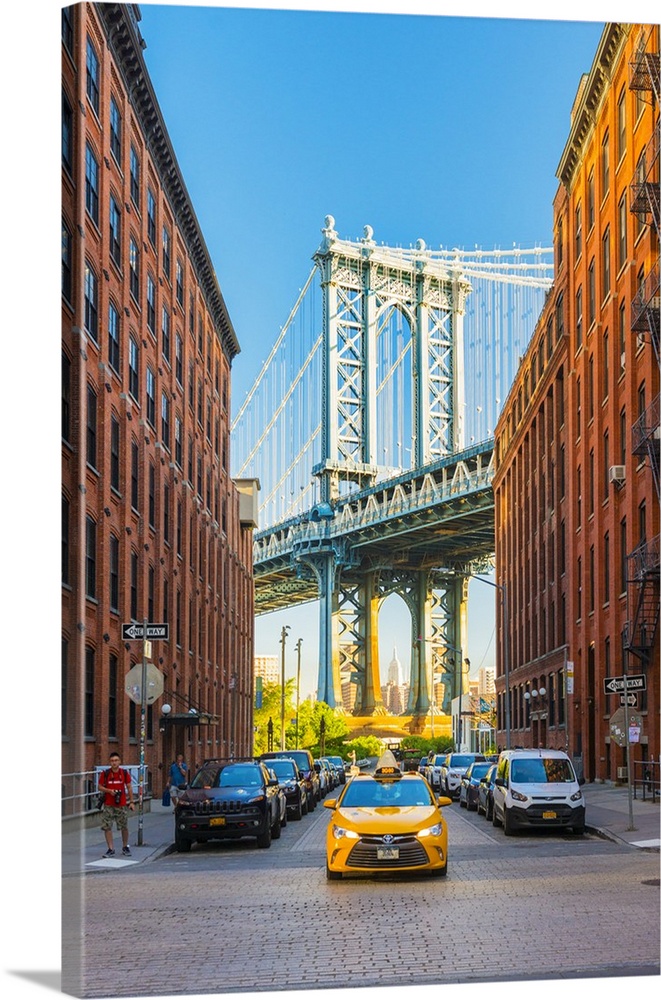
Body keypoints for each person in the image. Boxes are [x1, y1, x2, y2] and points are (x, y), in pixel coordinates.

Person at [98, 752, 135, 858]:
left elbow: (129, 787)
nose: (114, 763)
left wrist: (131, 802)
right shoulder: (105, 773)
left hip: (121, 804)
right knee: (107, 826)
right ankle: (110, 848)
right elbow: (100, 787)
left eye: (116, 760)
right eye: (112, 761)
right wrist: (109, 791)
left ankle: (125, 846)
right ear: (110, 762)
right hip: (109, 804)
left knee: (124, 826)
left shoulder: (124, 773)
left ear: (119, 762)